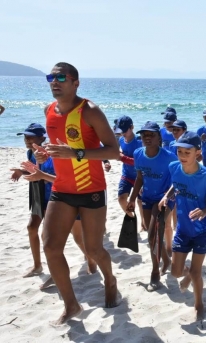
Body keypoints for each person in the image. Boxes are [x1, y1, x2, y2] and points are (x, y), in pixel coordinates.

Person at [33, 62, 120, 325]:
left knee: (94, 249)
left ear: (76, 83)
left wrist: (76, 154)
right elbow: (58, 147)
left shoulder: (89, 111)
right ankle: (71, 305)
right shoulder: (49, 110)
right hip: (62, 188)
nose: (54, 81)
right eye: (51, 77)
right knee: (50, 246)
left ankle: (110, 279)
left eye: (61, 77)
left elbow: (114, 151)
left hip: (91, 189)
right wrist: (43, 153)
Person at [10, 123, 96, 280]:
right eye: (25, 137)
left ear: (42, 138)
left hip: (65, 199)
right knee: (37, 231)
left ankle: (91, 260)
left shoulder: (53, 155)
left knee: (77, 237)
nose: (27, 140)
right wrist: (21, 171)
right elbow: (36, 172)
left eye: (31, 137)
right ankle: (41, 267)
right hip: (43, 199)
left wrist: (41, 175)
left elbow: (63, 180)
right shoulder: (31, 153)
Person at [160, 132, 206, 320]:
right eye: (180, 152)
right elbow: (175, 186)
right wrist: (166, 196)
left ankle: (199, 304)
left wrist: (204, 211)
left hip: (202, 230)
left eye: (187, 152)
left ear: (198, 153)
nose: (182, 156)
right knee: (176, 272)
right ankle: (189, 275)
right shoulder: (173, 167)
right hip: (183, 229)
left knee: (196, 271)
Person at [128, 121, 177, 290]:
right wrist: (132, 199)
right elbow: (140, 178)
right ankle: (167, 260)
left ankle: (155, 274)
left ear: (159, 137)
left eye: (151, 135)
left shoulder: (169, 157)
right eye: (144, 135)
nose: (147, 138)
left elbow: (177, 181)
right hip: (147, 198)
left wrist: (166, 197)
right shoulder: (138, 154)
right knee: (154, 237)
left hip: (165, 199)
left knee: (152, 236)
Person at [115, 116, 146, 231]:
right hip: (126, 175)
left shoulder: (139, 142)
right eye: (120, 130)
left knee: (140, 201)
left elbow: (140, 162)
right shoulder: (121, 140)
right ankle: (132, 218)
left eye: (125, 130)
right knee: (121, 199)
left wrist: (122, 158)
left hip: (140, 177)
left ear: (132, 127)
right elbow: (120, 153)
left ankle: (143, 223)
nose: (122, 133)